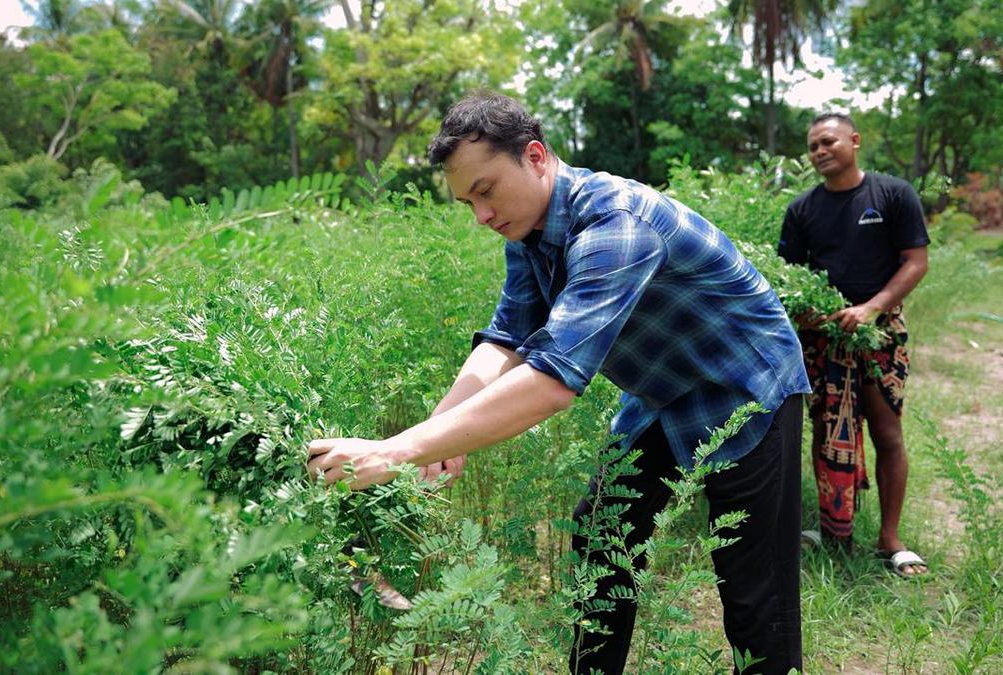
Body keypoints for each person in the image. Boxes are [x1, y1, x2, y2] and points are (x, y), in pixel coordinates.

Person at [307, 92, 810, 674]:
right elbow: (507, 341)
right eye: (468, 202)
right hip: (662, 391)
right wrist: (434, 434)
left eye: (487, 190)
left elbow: (552, 382)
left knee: (753, 593)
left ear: (536, 156)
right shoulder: (528, 231)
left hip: (747, 385)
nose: (482, 216)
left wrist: (395, 451)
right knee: (600, 534)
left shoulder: (617, 223)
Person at [778, 112, 931, 577]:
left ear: (855, 140)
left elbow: (916, 261)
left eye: (828, 141)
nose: (820, 151)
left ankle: (890, 538)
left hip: (880, 333)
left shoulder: (893, 194)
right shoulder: (802, 210)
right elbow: (790, 277)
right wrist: (808, 313)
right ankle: (833, 529)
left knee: (887, 432)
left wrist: (872, 308)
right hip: (825, 340)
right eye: (813, 147)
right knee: (827, 434)